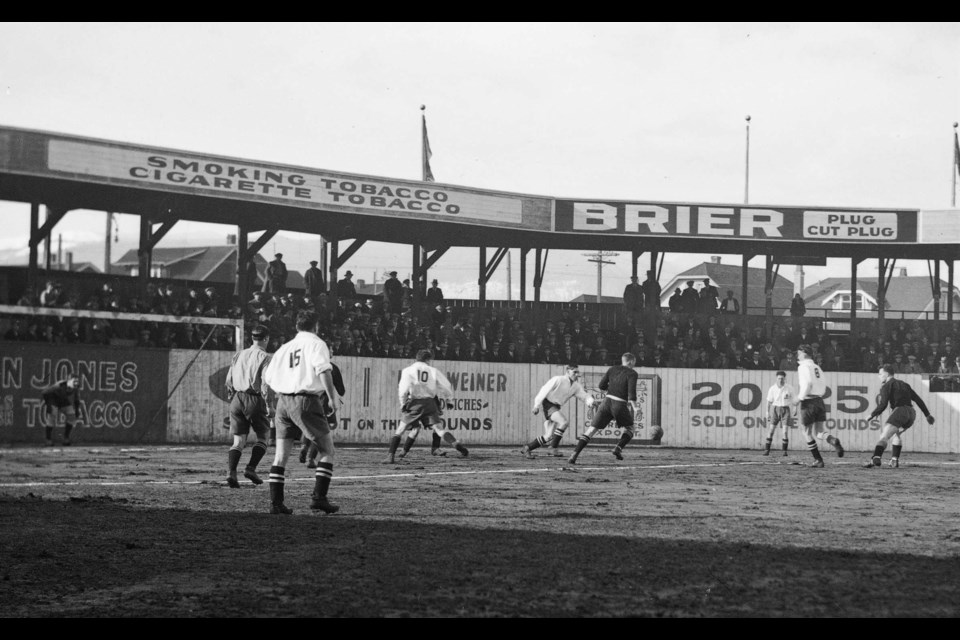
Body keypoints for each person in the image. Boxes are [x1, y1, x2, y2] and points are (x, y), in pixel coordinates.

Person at [261, 310, 340, 515]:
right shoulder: (316, 343)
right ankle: (318, 498)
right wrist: (331, 398)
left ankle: (276, 504)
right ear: (316, 326)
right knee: (327, 450)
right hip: (305, 401)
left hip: (283, 402)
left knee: (280, 457)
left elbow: (268, 377)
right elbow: (323, 370)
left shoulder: (284, 348)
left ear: (297, 326)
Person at [382, 349, 468, 463]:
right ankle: (455, 443)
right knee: (439, 429)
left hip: (415, 403)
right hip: (430, 403)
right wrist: (449, 400)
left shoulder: (408, 370)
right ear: (428, 359)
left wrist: (403, 403)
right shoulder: (433, 370)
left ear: (416, 358)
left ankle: (390, 456)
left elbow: (403, 389)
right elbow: (446, 385)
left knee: (401, 429)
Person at [223, 325, 273, 488]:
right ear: (266, 338)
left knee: (238, 441)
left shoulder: (239, 354)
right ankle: (250, 468)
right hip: (255, 399)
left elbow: (229, 379)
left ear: (252, 338)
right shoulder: (265, 357)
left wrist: (233, 398)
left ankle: (231, 473)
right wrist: (269, 405)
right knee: (264, 436)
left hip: (237, 399)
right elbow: (265, 384)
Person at [568, 352, 639, 464]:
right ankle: (618, 448)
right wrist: (636, 408)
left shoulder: (612, 369)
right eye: (634, 362)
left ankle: (574, 454)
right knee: (630, 428)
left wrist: (612, 390)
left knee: (591, 430)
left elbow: (601, 386)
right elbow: (632, 393)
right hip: (619, 404)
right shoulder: (632, 373)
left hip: (606, 403)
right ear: (631, 361)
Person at [862, 364, 935, 469]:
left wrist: (871, 415)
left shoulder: (886, 386)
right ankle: (894, 460)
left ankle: (875, 457)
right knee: (896, 435)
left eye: (880, 374)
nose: (879, 376)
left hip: (900, 411)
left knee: (884, 437)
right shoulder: (904, 384)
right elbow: (918, 400)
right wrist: (927, 415)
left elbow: (883, 405)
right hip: (911, 414)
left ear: (886, 374)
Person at [521, 364, 596, 459]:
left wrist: (591, 402)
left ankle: (527, 448)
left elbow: (584, 396)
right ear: (568, 372)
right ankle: (553, 447)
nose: (577, 374)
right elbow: (544, 390)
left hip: (556, 407)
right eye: (574, 372)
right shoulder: (558, 379)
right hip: (548, 405)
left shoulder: (576, 386)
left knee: (548, 436)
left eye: (578, 372)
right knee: (564, 422)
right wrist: (536, 405)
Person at [791, 344, 844, 468]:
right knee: (819, 432)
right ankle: (832, 440)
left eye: (798, 353)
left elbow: (807, 384)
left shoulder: (803, 367)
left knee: (806, 432)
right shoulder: (817, 367)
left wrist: (799, 398)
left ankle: (818, 459)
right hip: (819, 400)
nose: (797, 356)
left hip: (808, 401)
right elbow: (823, 384)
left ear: (804, 354)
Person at [300, 361, 345, 469]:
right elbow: (341, 390)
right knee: (320, 431)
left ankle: (304, 446)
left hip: (306, 399)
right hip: (323, 400)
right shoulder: (332, 367)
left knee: (308, 426)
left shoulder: (309, 364)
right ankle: (310, 458)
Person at [41, 375, 84, 446]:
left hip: (62, 400)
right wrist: (48, 404)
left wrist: (76, 410)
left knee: (71, 415)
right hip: (53, 399)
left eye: (77, 381)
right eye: (74, 381)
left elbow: (76, 399)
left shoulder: (76, 388)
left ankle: (66, 438)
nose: (75, 383)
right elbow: (45, 392)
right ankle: (48, 439)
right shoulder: (60, 385)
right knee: (52, 414)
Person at [763, 370, 794, 456]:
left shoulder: (789, 388)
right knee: (771, 430)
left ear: (785, 379)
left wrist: (795, 408)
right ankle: (767, 450)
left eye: (782, 378)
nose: (780, 380)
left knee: (785, 432)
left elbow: (794, 400)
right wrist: (767, 412)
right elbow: (768, 401)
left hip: (785, 409)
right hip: (775, 409)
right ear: (776, 379)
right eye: (779, 378)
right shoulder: (772, 388)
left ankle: (784, 451)